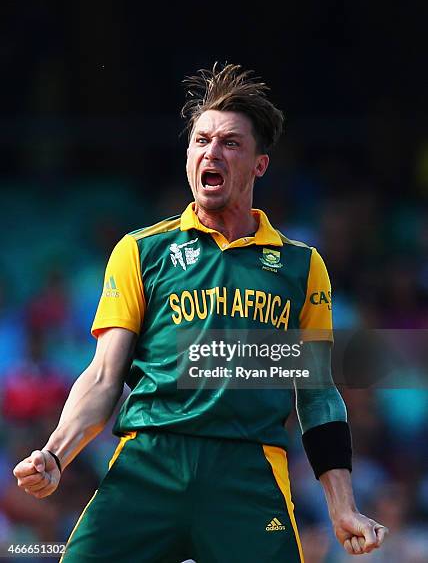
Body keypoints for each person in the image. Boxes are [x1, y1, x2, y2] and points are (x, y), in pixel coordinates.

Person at [13, 63, 388, 562]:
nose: (211, 152)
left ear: (260, 165)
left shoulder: (301, 265)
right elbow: (104, 375)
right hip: (150, 462)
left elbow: (317, 394)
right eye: (201, 141)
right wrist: (57, 453)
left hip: (248, 471)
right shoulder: (141, 250)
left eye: (230, 143)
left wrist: (342, 507)